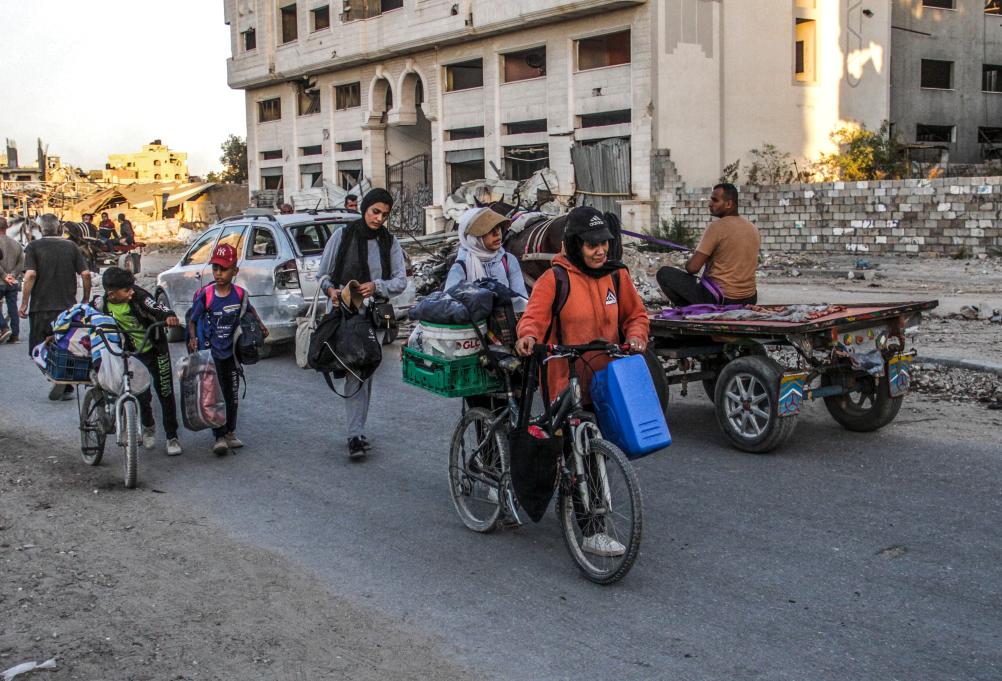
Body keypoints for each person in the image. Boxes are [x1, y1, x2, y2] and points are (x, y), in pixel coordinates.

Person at [515, 206, 649, 558]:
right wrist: (528, 337)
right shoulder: (554, 279)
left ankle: (583, 501)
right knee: (580, 451)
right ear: (575, 245)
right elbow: (532, 318)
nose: (600, 251)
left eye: (604, 243)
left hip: (608, 380)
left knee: (598, 449)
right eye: (591, 245)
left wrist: (636, 335)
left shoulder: (616, 277)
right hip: (565, 378)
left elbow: (636, 315)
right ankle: (592, 529)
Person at [317, 188, 407, 458]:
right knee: (356, 373)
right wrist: (332, 292)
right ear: (364, 208)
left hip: (374, 319)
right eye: (375, 211)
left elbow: (400, 281)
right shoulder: (342, 236)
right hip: (345, 315)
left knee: (363, 374)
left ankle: (356, 432)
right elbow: (323, 276)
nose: (379, 218)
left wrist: (376, 286)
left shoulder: (389, 243)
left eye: (384, 214)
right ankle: (355, 434)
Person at [187, 243, 269, 456]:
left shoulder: (240, 294)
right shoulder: (206, 295)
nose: (218, 273)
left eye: (224, 269)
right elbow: (193, 320)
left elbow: (249, 312)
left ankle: (231, 432)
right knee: (214, 396)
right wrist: (193, 339)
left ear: (235, 271)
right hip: (211, 354)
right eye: (215, 268)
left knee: (231, 395)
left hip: (231, 354)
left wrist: (261, 327)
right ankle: (219, 436)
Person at [93, 267, 183, 456]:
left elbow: (159, 309)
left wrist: (169, 317)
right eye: (126, 290)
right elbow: (87, 313)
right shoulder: (103, 304)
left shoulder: (140, 297)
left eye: (131, 287)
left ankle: (172, 436)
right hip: (133, 353)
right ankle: (148, 425)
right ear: (112, 294)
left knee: (165, 391)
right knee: (140, 392)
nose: (131, 291)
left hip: (155, 349)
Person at [19, 213, 92, 399]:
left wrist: (24, 303)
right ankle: (64, 381)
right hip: (67, 308)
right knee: (65, 345)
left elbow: (30, 275)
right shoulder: (72, 246)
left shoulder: (33, 246)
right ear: (60, 228)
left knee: (37, 347)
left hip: (41, 307)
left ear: (41, 229)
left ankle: (54, 375)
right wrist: (85, 299)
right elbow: (86, 274)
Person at [656, 183, 760, 307]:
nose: (710, 204)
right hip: (749, 299)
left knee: (664, 274)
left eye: (715, 200)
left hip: (721, 299)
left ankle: (691, 311)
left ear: (728, 204)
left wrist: (693, 258)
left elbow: (693, 268)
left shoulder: (716, 227)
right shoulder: (753, 228)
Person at [443, 206, 529, 313]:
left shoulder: (508, 260)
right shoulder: (461, 266)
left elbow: (521, 300)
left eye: (498, 228)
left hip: (506, 325)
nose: (497, 234)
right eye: (489, 230)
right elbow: (448, 305)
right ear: (474, 239)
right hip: (477, 327)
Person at [0, 217, 25, 344]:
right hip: (12, 283)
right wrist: (13, 275)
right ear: (7, 227)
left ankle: (4, 327)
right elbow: (21, 263)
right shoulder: (16, 244)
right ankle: (15, 336)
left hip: (1, 281)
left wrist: (4, 276)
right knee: (12, 308)